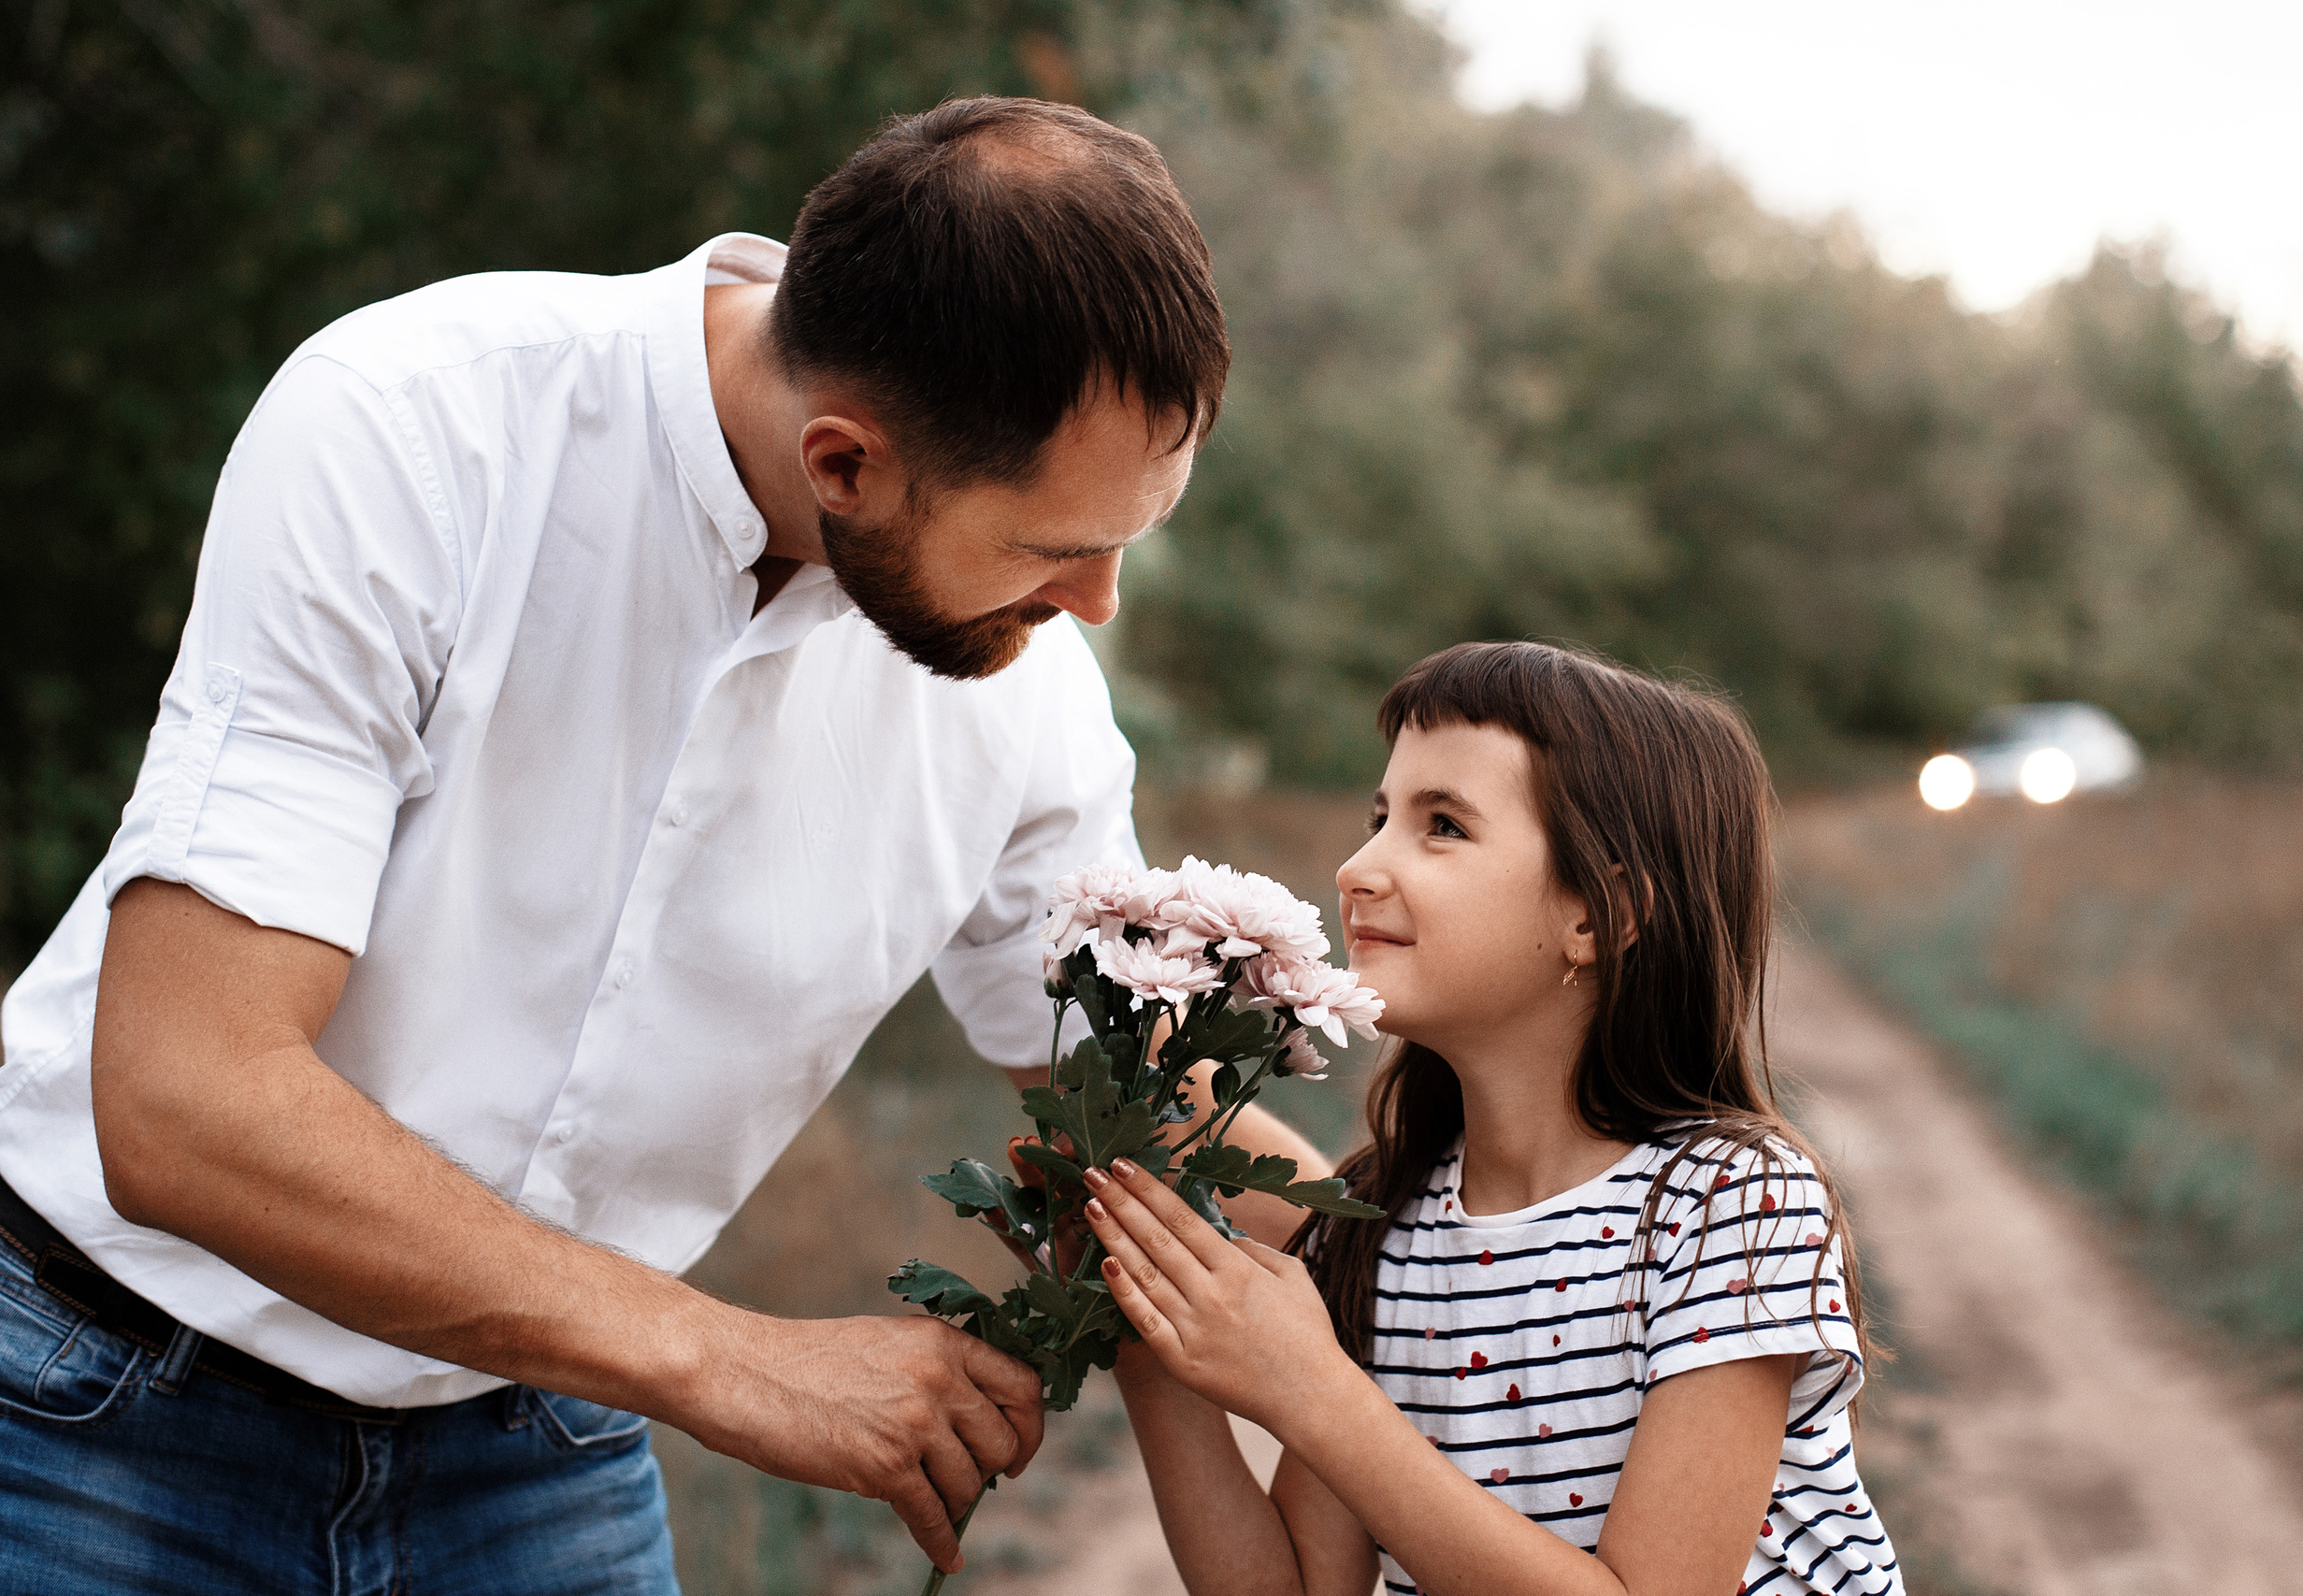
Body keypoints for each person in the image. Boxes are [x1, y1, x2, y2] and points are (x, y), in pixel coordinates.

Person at [0, 97, 1328, 1593]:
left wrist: (1527, 1230)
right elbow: (185, 1091)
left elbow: (1141, 1107)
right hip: (90, 1412)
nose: (1098, 603)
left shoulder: (1031, 699)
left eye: (1129, 534)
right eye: (1052, 548)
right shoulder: (410, 428)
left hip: (530, 1446)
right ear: (841, 464)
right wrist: (726, 1355)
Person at [1077, 640, 1904, 1596]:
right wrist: (1141, 1336)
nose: (1356, 867)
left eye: (1442, 826)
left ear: (1598, 916)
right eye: (1379, 816)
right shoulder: (1375, 1228)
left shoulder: (1725, 1202)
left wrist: (1313, 1391)